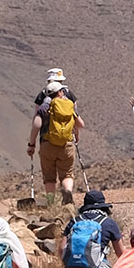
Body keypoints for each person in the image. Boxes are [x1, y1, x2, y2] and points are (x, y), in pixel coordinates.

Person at [29, 77, 83, 205]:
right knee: (67, 174)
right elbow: (81, 124)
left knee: (49, 176)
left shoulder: (44, 107)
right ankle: (68, 193)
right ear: (60, 92)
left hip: (47, 145)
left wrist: (31, 144)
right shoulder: (68, 105)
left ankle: (50, 202)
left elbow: (36, 125)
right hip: (67, 144)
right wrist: (75, 132)